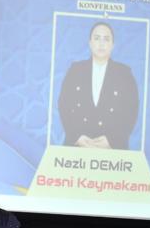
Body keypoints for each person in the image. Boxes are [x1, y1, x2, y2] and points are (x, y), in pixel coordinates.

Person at [57, 21, 140, 150]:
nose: (101, 43)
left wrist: (113, 140)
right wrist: (76, 137)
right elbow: (64, 105)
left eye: (106, 39)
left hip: (113, 149)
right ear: (90, 43)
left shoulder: (124, 74)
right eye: (97, 38)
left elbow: (131, 111)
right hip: (77, 147)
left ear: (112, 45)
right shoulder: (75, 70)